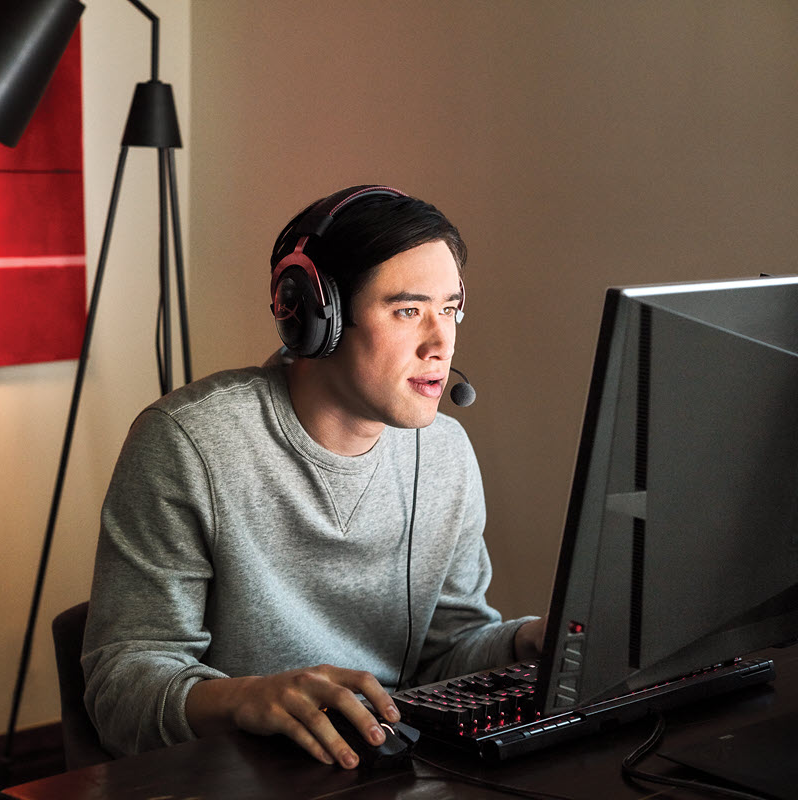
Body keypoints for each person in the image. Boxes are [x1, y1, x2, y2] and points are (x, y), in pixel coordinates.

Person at [81, 185, 546, 769]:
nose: (441, 342)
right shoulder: (190, 443)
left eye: (450, 309)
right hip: (239, 774)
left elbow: (445, 654)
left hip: (383, 764)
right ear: (314, 315)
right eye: (408, 311)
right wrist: (244, 699)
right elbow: (120, 687)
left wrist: (528, 641)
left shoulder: (444, 453)